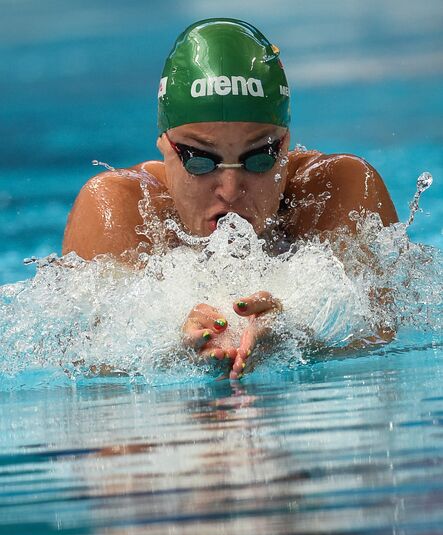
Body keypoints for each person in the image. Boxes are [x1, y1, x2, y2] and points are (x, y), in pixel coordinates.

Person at [62, 18, 398, 379]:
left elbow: (381, 342)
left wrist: (302, 336)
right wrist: (167, 351)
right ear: (164, 144)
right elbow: (93, 372)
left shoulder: (337, 189)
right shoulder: (120, 207)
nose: (230, 188)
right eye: (200, 160)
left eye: (260, 158)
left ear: (286, 144)